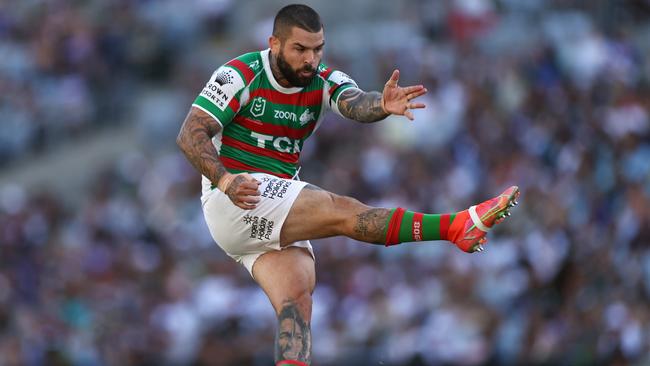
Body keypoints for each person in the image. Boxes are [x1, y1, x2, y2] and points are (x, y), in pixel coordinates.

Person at [176, 4, 519, 365]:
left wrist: (381, 105)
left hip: (263, 215)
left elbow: (354, 101)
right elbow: (190, 134)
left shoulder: (321, 80)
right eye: (300, 49)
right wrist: (226, 180)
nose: (311, 59)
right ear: (274, 43)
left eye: (318, 48)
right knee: (340, 210)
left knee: (297, 299)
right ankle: (454, 226)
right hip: (235, 196)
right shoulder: (239, 74)